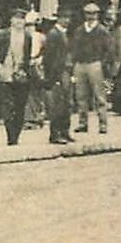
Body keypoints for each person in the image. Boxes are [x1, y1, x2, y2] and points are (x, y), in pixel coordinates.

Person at [0, 7, 41, 145]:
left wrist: (25, 68)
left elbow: (27, 55)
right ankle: (10, 135)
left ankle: (16, 135)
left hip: (21, 74)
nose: (19, 22)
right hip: (5, 73)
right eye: (16, 19)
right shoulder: (3, 35)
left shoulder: (28, 37)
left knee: (20, 105)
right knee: (7, 105)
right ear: (11, 20)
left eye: (22, 19)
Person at [70, 2, 116, 135]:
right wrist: (74, 63)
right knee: (81, 96)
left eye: (93, 14)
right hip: (80, 64)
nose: (91, 16)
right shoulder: (79, 30)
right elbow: (74, 48)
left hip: (95, 64)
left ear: (97, 15)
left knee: (100, 96)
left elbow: (109, 50)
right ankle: (82, 123)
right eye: (88, 13)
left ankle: (103, 124)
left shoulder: (102, 31)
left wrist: (103, 63)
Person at [40, 13, 74, 144]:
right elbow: (49, 57)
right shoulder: (54, 34)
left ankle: (65, 131)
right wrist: (52, 76)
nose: (67, 20)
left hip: (65, 71)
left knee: (66, 103)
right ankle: (55, 134)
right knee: (58, 105)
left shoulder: (64, 33)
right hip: (57, 73)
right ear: (59, 19)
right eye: (64, 17)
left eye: (68, 17)